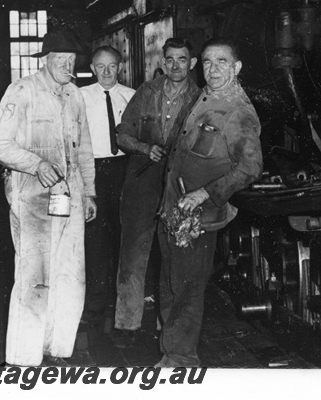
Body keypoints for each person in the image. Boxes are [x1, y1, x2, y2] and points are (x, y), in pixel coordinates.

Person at [0, 30, 97, 367]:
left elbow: (85, 150)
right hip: (33, 198)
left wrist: (90, 191)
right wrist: (37, 165)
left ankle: (57, 349)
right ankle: (23, 360)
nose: (68, 65)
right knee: (34, 277)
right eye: (61, 59)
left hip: (72, 197)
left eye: (72, 59)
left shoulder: (75, 96)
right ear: (45, 59)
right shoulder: (21, 92)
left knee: (70, 275)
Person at [157, 37, 263, 367]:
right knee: (169, 287)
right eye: (206, 62)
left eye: (222, 63)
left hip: (198, 219)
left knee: (186, 291)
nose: (212, 69)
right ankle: (169, 354)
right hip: (173, 210)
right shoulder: (205, 100)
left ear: (237, 68)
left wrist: (205, 193)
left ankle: (181, 362)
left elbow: (250, 166)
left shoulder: (238, 112)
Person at [113, 38, 201, 344]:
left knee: (175, 256)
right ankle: (127, 326)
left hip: (179, 185)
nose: (175, 65)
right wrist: (144, 147)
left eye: (182, 59)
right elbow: (122, 136)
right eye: (170, 59)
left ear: (192, 63)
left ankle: (170, 327)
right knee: (133, 254)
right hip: (142, 180)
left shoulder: (200, 99)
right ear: (162, 62)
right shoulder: (146, 93)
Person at [79, 46, 135, 326]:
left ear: (119, 66)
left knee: (125, 235)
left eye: (111, 66)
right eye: (100, 67)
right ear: (92, 68)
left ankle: (125, 303)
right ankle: (96, 304)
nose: (106, 72)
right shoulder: (80, 97)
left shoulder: (132, 96)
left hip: (125, 168)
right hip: (94, 170)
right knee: (96, 238)